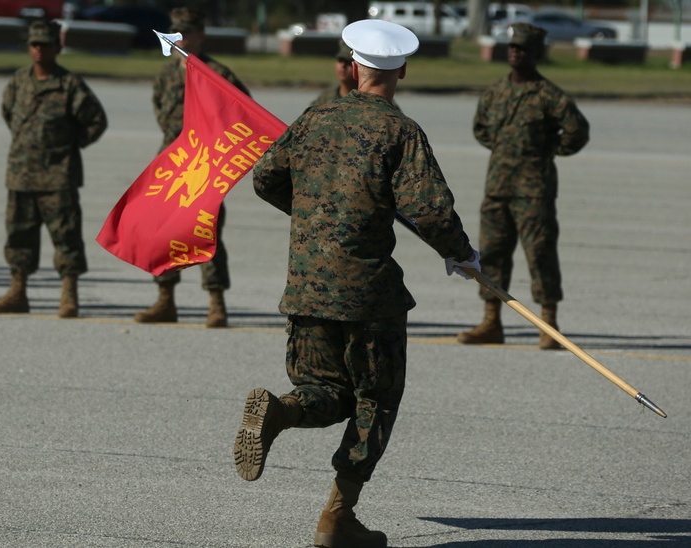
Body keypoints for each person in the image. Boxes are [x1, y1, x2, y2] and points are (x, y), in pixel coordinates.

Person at [233, 20, 479, 548]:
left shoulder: (317, 114)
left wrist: (317, 216)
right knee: (375, 399)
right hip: (367, 293)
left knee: (326, 392)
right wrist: (461, 256)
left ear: (356, 67)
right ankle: (336, 519)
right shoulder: (400, 130)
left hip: (305, 285)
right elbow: (430, 210)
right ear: (402, 71)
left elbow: (265, 177)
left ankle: (282, 410)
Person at [459, 23, 589, 350]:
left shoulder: (549, 95)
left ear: (536, 54)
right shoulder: (494, 93)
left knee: (540, 255)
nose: (516, 52)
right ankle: (491, 321)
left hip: (534, 190)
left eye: (523, 49)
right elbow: (480, 128)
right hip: (498, 188)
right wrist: (506, 149)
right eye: (513, 47)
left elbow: (577, 131)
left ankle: (549, 323)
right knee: (492, 256)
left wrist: (547, 151)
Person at [133, 6, 249, 328]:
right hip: (170, 166)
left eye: (187, 32)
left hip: (205, 167)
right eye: (176, 32)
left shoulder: (220, 75)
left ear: (201, 35)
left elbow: (243, 117)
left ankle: (216, 302)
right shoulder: (167, 75)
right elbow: (161, 113)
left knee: (204, 232)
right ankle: (165, 299)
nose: (181, 38)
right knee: (164, 232)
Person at [0, 20, 107, 318]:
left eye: (46, 44)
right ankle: (18, 291)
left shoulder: (69, 85)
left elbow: (96, 121)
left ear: (58, 47)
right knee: (18, 236)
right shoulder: (18, 82)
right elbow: (8, 114)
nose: (39, 50)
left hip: (57, 176)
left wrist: (68, 146)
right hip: (21, 175)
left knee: (66, 236)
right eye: (34, 44)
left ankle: (69, 293)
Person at [309, 40, 359, 107]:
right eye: (340, 60)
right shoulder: (325, 98)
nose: (343, 66)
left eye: (348, 62)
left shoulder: (365, 100)